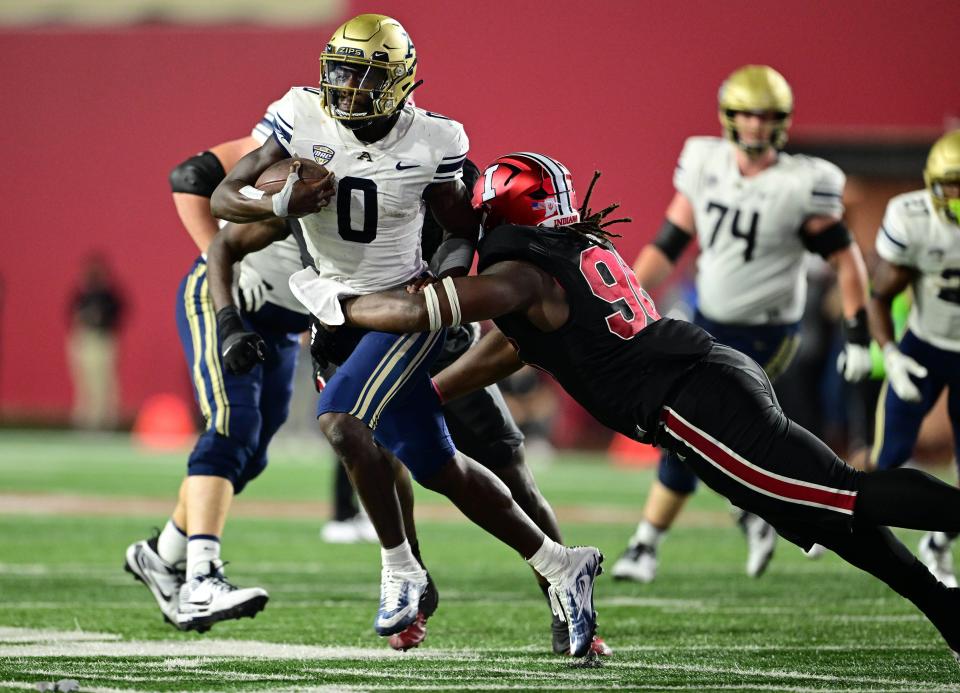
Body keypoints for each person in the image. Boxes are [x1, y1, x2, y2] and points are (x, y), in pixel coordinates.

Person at [338, 151, 960, 663]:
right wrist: (437, 393)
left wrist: (338, 301)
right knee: (826, 515)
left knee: (838, 494)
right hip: (696, 391)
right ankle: (945, 608)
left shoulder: (524, 275)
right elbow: (510, 350)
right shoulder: (562, 255)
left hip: (691, 399)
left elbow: (421, 310)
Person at [209, 14, 603, 657]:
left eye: (362, 76)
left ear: (399, 83)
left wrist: (443, 291)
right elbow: (227, 201)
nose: (346, 88)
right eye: (338, 71)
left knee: (348, 425)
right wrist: (280, 205)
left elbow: (458, 230)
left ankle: (401, 572)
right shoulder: (300, 120)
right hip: (339, 317)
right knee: (430, 465)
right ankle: (560, 565)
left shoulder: (434, 141)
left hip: (408, 313)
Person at [611, 65, 871, 583]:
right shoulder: (706, 164)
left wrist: (859, 333)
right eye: (747, 114)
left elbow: (847, 261)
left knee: (697, 429)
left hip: (768, 334)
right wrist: (621, 305)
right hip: (707, 323)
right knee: (700, 432)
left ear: (783, 121)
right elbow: (667, 245)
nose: (756, 125)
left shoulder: (802, 183)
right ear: (729, 118)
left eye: (767, 116)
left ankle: (651, 542)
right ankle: (759, 515)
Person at [123, 97, 317, 632]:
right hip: (226, 295)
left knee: (250, 457)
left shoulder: (402, 156)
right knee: (233, 424)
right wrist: (218, 261)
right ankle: (200, 578)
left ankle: (160, 556)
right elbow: (190, 176)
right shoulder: (304, 125)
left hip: (284, 321)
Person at [868, 129, 960, 587]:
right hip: (923, 345)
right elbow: (880, 294)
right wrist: (891, 352)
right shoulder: (913, 217)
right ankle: (847, 524)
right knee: (890, 456)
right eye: (953, 185)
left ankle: (939, 544)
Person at [67, 252, 125, 430]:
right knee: (84, 382)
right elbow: (70, 315)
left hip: (103, 338)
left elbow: (119, 314)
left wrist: (101, 319)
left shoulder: (110, 295)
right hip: (84, 338)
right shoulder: (81, 294)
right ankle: (85, 420)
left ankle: (106, 420)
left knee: (104, 381)